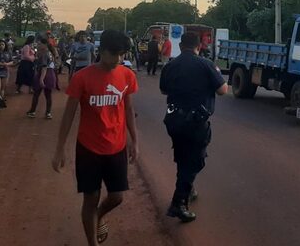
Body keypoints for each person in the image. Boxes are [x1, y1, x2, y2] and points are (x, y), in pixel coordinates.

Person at [52, 29, 138, 246]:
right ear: (101, 51)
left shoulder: (127, 75)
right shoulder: (82, 78)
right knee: (90, 199)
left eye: (122, 55)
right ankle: (93, 242)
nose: (118, 60)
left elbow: (128, 109)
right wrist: (60, 148)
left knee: (117, 196)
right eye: (114, 54)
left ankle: (98, 216)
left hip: (116, 146)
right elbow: (69, 114)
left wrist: (134, 141)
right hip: (88, 149)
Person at [159, 32, 227, 222]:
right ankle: (178, 203)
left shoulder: (170, 65)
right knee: (195, 161)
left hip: (174, 120)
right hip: (195, 122)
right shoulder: (205, 64)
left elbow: (163, 89)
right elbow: (222, 90)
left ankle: (188, 187)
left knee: (182, 157)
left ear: (180, 46)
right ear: (199, 46)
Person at [26, 38, 57, 119]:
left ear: (44, 45)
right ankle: (48, 113)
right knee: (48, 95)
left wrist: (41, 79)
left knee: (36, 94)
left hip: (43, 74)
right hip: (51, 74)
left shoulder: (44, 53)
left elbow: (44, 67)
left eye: (40, 44)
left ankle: (33, 111)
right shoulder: (50, 52)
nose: (38, 45)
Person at [0, 39, 15, 109]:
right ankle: (0, 100)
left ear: (5, 45)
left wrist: (7, 64)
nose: (1, 46)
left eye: (2, 44)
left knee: (3, 88)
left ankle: (1, 101)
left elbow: (12, 61)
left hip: (5, 71)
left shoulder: (8, 53)